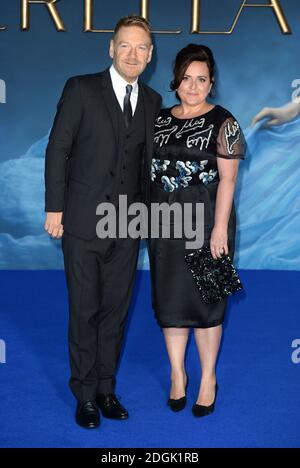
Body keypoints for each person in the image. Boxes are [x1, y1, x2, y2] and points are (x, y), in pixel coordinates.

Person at [44, 16, 161, 429]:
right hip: (80, 220)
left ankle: (106, 389)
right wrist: (54, 209)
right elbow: (58, 149)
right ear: (110, 49)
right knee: (84, 308)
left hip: (128, 225)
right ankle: (84, 394)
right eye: (125, 46)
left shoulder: (151, 100)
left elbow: (148, 166)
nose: (132, 54)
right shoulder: (81, 88)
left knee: (115, 310)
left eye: (141, 48)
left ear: (149, 56)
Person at [148, 44, 246, 417]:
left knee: (208, 303)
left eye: (201, 79)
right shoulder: (156, 119)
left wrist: (220, 229)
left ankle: (207, 378)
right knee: (170, 301)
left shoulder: (225, 122)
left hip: (208, 222)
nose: (193, 86)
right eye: (186, 78)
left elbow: (228, 180)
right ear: (176, 80)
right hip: (164, 223)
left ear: (211, 83)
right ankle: (177, 375)